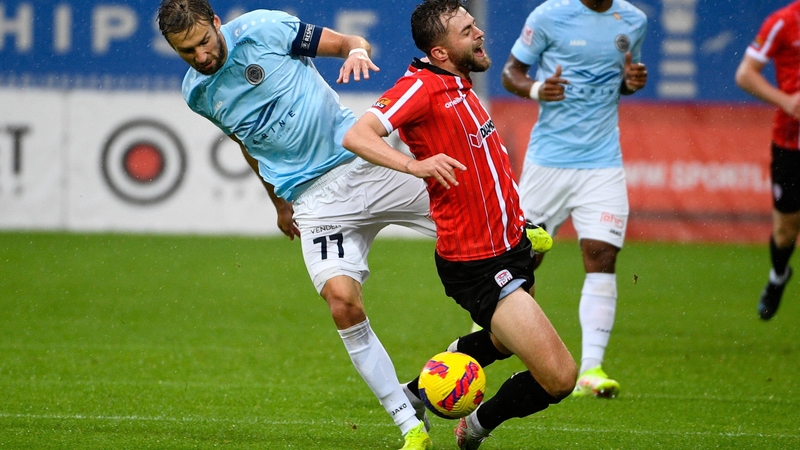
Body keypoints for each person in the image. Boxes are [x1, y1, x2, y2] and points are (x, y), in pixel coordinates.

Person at [156, 1, 435, 448]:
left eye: (204, 42)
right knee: (342, 304)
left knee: (492, 239)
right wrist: (279, 203)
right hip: (314, 200)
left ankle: (489, 320)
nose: (201, 57)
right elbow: (247, 143)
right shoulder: (197, 94)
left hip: (364, 163)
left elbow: (348, 42)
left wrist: (358, 53)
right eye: (186, 52)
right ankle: (409, 423)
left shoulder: (266, 28)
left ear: (216, 23)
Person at [342, 1, 577, 448]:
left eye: (474, 24)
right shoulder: (422, 86)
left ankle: (415, 392)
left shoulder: (459, 84)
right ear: (441, 51)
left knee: (502, 343)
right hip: (480, 264)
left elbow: (481, 167)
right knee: (561, 377)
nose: (479, 33)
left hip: (510, 248)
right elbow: (357, 134)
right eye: (466, 29)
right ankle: (475, 426)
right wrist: (414, 167)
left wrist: (520, 223)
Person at [499, 0, 647, 399]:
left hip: (603, 162)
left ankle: (592, 369)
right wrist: (534, 89)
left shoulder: (634, 20)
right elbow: (510, 73)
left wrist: (629, 83)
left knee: (602, 254)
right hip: (548, 162)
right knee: (521, 260)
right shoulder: (549, 15)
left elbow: (620, 82)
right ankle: (487, 341)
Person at [735, 1, 800, 321]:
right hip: (791, 144)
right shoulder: (784, 22)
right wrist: (787, 101)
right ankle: (778, 276)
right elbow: (745, 74)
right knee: (786, 232)